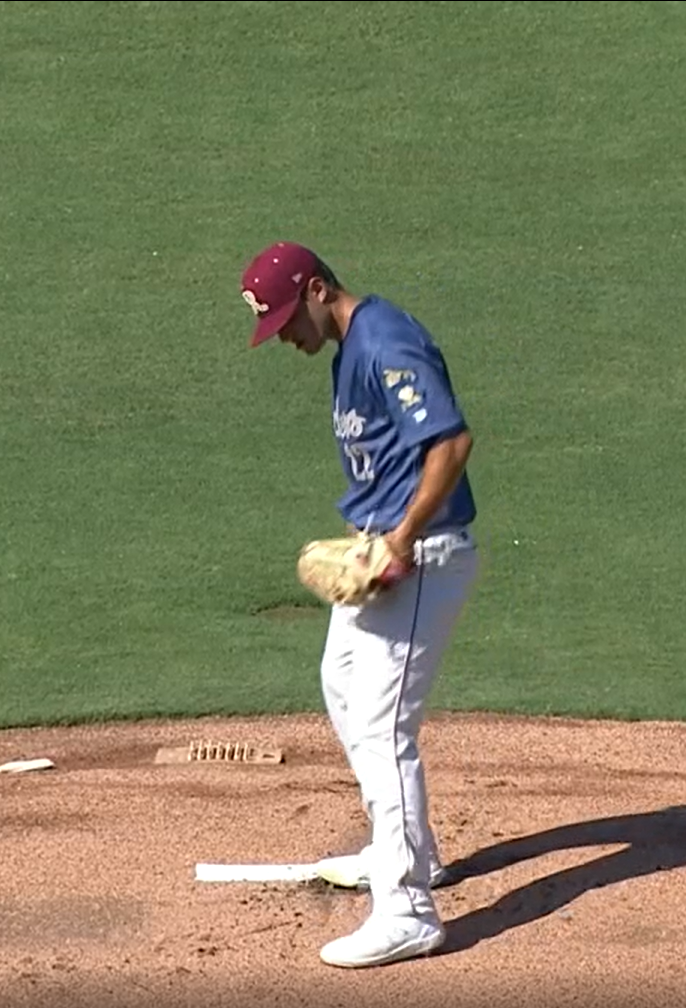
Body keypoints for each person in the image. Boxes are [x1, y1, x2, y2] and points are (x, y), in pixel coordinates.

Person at [239, 241, 482, 969]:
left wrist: (399, 540)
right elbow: (387, 457)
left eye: (287, 318)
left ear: (318, 289)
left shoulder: (383, 341)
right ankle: (410, 852)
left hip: (420, 561)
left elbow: (449, 441)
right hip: (380, 556)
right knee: (342, 685)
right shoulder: (348, 351)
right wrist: (364, 536)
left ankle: (407, 909)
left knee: (381, 729)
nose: (284, 335)